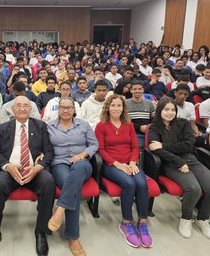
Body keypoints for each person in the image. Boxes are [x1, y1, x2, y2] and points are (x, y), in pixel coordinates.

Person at [0, 96, 56, 256]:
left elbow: (49, 151)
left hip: (33, 170)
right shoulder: (3, 128)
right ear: (13, 109)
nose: (22, 108)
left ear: (31, 109)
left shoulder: (40, 126)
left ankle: (41, 232)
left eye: (26, 106)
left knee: (48, 182)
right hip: (10, 172)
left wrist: (38, 167)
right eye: (18, 106)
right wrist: (8, 166)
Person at [148, 97, 210, 240]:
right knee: (194, 188)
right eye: (166, 109)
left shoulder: (183, 124)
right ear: (159, 111)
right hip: (170, 163)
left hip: (191, 159)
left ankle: (202, 219)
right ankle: (186, 218)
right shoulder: (154, 127)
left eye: (172, 110)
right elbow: (155, 150)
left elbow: (188, 145)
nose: (170, 113)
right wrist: (178, 162)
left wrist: (164, 145)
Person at [95, 94, 152, 248]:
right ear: (108, 107)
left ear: (123, 108)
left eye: (119, 105)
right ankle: (126, 223)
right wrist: (117, 164)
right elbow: (100, 149)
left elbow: (135, 147)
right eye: (113, 105)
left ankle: (142, 222)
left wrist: (133, 162)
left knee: (141, 183)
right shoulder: (101, 126)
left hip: (130, 162)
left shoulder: (129, 125)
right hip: (111, 165)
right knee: (129, 183)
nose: (116, 108)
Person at [46, 97, 98, 256]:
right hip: (59, 163)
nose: (66, 110)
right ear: (58, 109)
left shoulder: (84, 124)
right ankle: (73, 237)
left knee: (79, 169)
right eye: (63, 107)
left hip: (81, 163)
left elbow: (94, 144)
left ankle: (60, 208)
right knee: (74, 189)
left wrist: (83, 154)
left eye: (69, 107)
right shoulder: (49, 127)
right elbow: (44, 146)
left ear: (74, 109)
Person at [125, 81, 156, 147]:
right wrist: (139, 127)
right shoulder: (125, 103)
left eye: (139, 89)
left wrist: (148, 127)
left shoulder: (149, 103)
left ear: (143, 90)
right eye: (135, 89)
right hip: (132, 133)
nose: (137, 91)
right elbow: (124, 121)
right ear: (131, 90)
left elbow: (155, 119)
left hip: (148, 133)